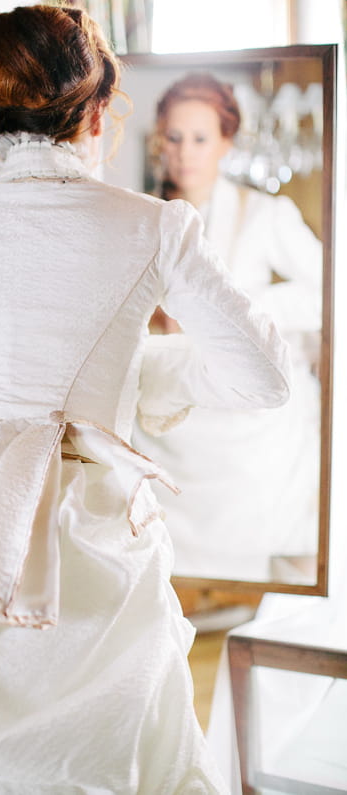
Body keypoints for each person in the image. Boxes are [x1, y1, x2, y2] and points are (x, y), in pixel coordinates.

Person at [0, 9, 290, 794]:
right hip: (88, 532)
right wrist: (141, 380)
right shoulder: (155, 226)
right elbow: (262, 377)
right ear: (99, 111)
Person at [135, 72, 322, 585]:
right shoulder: (139, 216)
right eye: (174, 138)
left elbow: (330, 288)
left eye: (200, 139)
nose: (185, 153)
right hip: (169, 417)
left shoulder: (267, 214)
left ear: (226, 143)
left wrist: (247, 311)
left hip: (247, 432)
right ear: (158, 140)